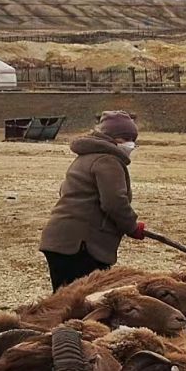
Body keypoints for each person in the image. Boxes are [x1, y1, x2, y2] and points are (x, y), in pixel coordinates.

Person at [38, 110, 146, 291]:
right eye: (126, 138)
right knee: (80, 301)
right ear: (112, 138)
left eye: (133, 139)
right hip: (81, 246)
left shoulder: (84, 158)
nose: (131, 144)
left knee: (63, 299)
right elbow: (114, 202)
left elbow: (64, 191)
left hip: (60, 240)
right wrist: (132, 226)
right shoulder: (107, 160)